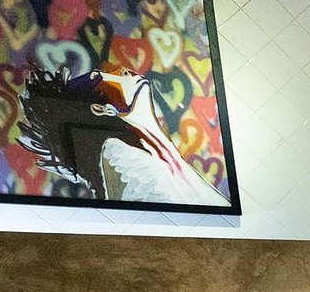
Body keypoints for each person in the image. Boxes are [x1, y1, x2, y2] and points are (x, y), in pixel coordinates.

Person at [17, 67, 231, 208]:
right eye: (103, 76)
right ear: (100, 109)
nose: (124, 72)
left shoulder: (156, 150)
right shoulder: (117, 152)